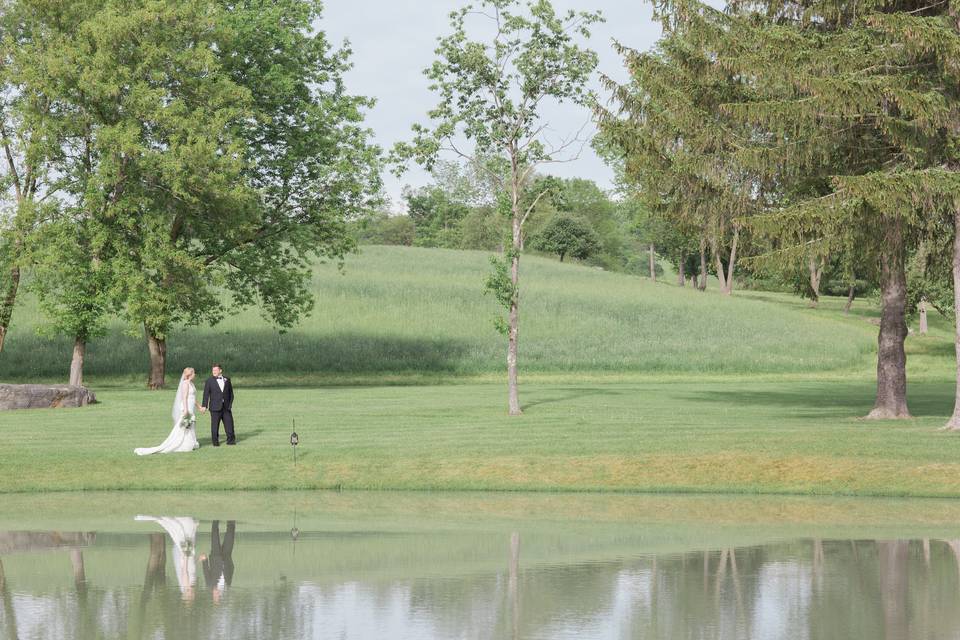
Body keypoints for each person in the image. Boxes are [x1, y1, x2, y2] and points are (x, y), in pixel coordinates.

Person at [134, 368, 201, 455]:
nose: (195, 374)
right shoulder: (185, 384)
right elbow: (184, 398)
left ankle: (190, 442)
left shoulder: (191, 383)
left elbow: (192, 397)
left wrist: (199, 407)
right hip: (186, 407)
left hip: (191, 407)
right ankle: (182, 444)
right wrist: (186, 410)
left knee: (190, 424)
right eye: (194, 373)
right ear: (190, 374)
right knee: (183, 426)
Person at [200, 520, 235, 603]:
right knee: (230, 537)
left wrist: (204, 559)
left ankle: (215, 520)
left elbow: (206, 570)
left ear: (212, 594)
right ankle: (231, 521)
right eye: (218, 596)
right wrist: (230, 564)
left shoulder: (209, 584)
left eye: (215, 596)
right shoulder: (227, 585)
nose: (217, 594)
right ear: (220, 595)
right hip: (226, 558)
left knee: (215, 536)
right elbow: (231, 571)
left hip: (215, 557)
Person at [201, 363, 236, 446]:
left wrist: (230, 405)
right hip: (214, 408)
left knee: (229, 425)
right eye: (213, 370)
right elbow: (206, 394)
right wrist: (204, 406)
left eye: (216, 370)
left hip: (226, 408)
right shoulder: (209, 381)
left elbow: (231, 393)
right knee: (215, 427)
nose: (214, 372)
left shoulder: (227, 379)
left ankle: (231, 441)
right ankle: (215, 442)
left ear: (220, 370)